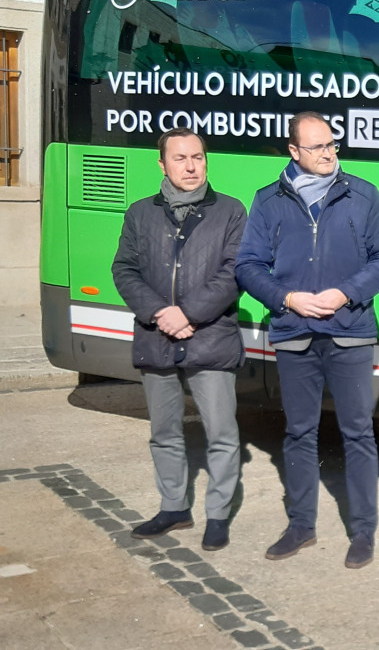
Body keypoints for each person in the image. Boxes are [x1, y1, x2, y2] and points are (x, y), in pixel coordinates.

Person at [235, 111, 379, 569]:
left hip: (349, 332)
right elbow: (248, 265)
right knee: (298, 432)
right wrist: (287, 298)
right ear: (293, 152)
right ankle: (301, 526)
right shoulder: (268, 201)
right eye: (317, 147)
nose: (328, 153)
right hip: (293, 333)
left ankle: (363, 531)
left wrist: (346, 292)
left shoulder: (362, 194)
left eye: (332, 144)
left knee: (358, 433)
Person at [111, 127, 246, 551]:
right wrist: (160, 313)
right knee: (164, 431)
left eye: (198, 158)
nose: (191, 166)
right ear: (162, 164)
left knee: (221, 433)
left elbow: (233, 272)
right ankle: (174, 507)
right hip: (157, 339)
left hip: (210, 338)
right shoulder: (139, 213)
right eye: (180, 158)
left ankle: (218, 514)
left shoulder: (230, 211)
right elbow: (124, 270)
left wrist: (187, 313)